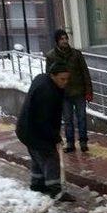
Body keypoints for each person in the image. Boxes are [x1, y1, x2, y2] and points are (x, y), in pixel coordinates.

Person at [16, 62, 74, 201]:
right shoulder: (47, 92)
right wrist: (55, 138)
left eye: (67, 79)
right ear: (52, 75)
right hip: (35, 131)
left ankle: (37, 184)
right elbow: (43, 120)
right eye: (62, 79)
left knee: (38, 157)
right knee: (51, 158)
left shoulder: (42, 78)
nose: (65, 83)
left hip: (26, 129)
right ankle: (56, 191)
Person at [45, 29, 93, 153]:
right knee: (68, 120)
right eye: (62, 39)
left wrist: (89, 91)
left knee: (82, 118)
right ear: (57, 41)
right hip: (63, 94)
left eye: (66, 38)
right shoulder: (51, 56)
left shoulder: (76, 54)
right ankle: (70, 143)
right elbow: (49, 76)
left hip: (79, 91)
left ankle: (83, 142)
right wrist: (52, 94)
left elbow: (85, 73)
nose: (65, 41)